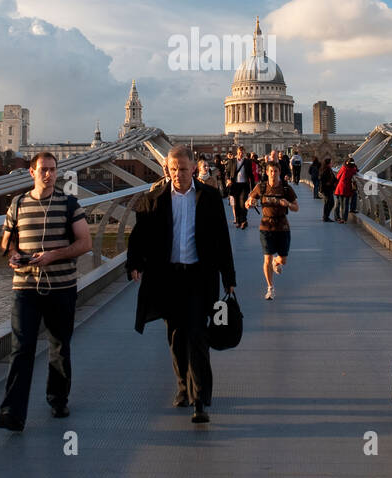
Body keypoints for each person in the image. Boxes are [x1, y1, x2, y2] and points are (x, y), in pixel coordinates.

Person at [127, 145, 237, 423]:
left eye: (183, 169)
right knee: (176, 337)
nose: (178, 174)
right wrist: (135, 263)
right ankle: (182, 388)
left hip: (200, 276)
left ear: (193, 168)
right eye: (173, 169)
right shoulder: (154, 199)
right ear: (167, 169)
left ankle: (200, 399)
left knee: (198, 336)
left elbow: (222, 239)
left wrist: (230, 278)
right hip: (168, 277)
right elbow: (140, 234)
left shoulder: (209, 197)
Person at [0, 152, 92, 432]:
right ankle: (12, 412)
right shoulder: (18, 204)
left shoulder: (70, 204)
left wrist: (53, 256)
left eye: (53, 170)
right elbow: (6, 242)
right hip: (25, 286)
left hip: (61, 287)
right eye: (43, 170)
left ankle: (58, 399)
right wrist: (12, 255)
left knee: (59, 345)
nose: (48, 174)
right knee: (21, 348)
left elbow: (85, 243)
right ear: (31, 173)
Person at [246, 159, 298, 300]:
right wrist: (250, 202)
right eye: (270, 171)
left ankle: (277, 261)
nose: (273, 173)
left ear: (279, 172)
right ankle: (270, 288)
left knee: (283, 260)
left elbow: (296, 207)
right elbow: (248, 201)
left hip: (282, 226)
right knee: (267, 258)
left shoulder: (286, 188)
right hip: (266, 226)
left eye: (275, 171)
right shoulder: (261, 187)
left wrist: (287, 203)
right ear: (266, 172)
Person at [227, 147, 251, 228]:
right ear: (237, 152)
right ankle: (238, 220)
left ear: (244, 153)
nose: (241, 154)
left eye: (242, 152)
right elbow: (227, 172)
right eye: (239, 152)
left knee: (243, 203)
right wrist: (228, 180)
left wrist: (253, 187)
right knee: (236, 204)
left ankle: (244, 220)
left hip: (244, 185)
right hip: (235, 185)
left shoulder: (247, 161)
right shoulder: (232, 161)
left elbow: (251, 174)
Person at [333, 157, 358, 223]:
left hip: (340, 188)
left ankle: (337, 217)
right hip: (347, 188)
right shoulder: (353, 170)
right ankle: (344, 219)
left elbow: (338, 177)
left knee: (338, 203)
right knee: (345, 205)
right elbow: (355, 170)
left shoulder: (343, 168)